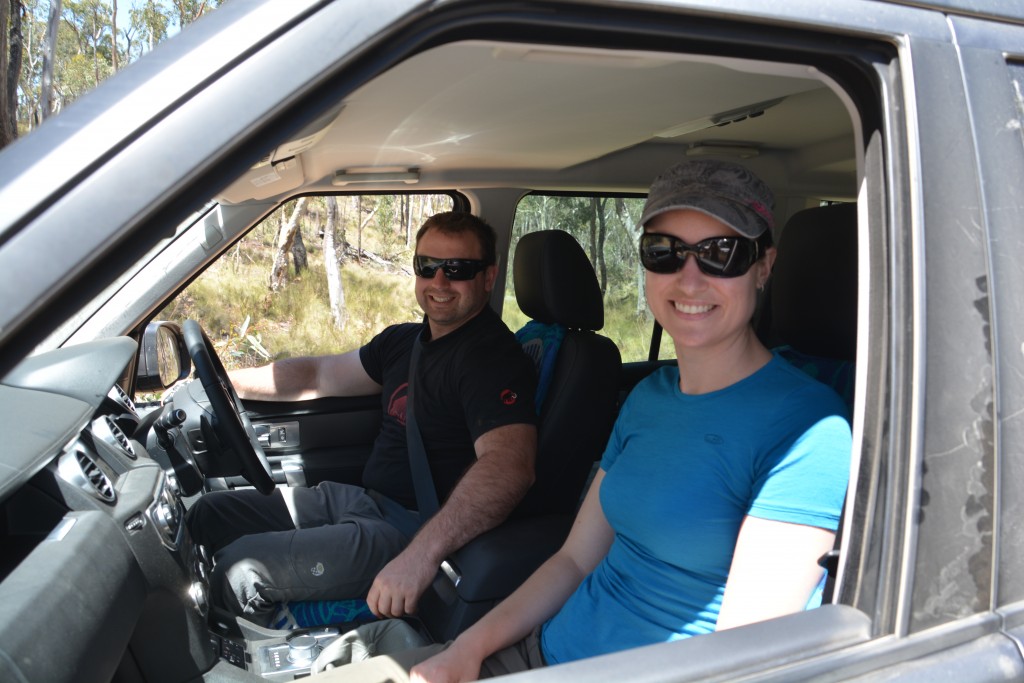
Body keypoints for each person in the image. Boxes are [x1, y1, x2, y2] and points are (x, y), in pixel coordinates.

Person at [317, 159, 852, 682]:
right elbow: (573, 561)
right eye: (663, 252)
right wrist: (468, 648)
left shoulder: (808, 429)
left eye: (721, 253)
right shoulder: (649, 398)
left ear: (764, 265)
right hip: (544, 647)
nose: (689, 280)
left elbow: (741, 660)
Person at [186, 211, 539, 624]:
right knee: (209, 514)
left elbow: (509, 466)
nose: (439, 282)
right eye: (427, 267)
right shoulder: (404, 341)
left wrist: (420, 557)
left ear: (488, 277)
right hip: (360, 500)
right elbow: (317, 374)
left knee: (239, 571)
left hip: (408, 530)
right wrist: (222, 383)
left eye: (458, 269)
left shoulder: (490, 359)